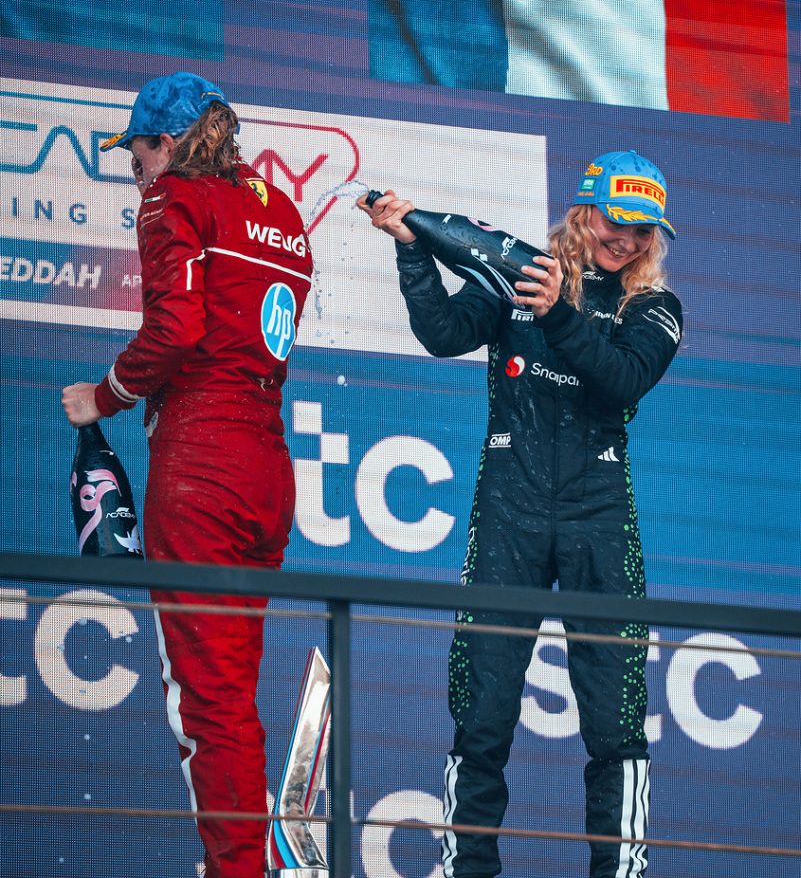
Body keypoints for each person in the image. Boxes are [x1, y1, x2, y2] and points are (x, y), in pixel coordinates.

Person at [357, 150, 683, 878]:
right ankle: (464, 867)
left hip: (600, 521)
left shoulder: (653, 307)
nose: (626, 241)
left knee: (614, 714)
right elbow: (442, 334)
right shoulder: (521, 275)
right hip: (507, 508)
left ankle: (621, 873)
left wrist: (560, 313)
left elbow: (620, 381)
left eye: (642, 231)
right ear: (583, 210)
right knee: (483, 706)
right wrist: (414, 255)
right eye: (615, 222)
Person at [61, 72, 313, 877]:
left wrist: (100, 397)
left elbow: (175, 327)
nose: (132, 166)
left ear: (165, 142)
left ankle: (235, 871)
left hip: (201, 457)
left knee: (206, 697)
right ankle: (241, 861)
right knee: (229, 689)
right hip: (267, 465)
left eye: (135, 149)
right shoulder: (282, 210)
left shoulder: (173, 200)